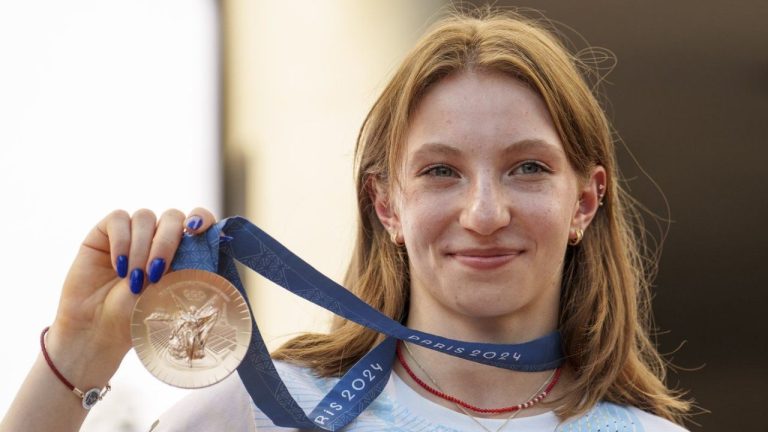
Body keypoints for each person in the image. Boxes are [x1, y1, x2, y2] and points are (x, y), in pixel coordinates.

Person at [0, 8, 692, 432]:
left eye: (528, 168)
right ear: (387, 205)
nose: (485, 213)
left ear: (586, 201)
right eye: (440, 170)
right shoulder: (261, 417)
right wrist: (78, 355)